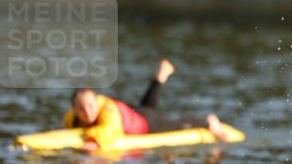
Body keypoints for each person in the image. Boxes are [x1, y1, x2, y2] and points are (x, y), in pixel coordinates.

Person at [65, 59, 231, 152]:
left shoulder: (107, 111)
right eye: (81, 108)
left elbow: (109, 130)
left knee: (177, 125)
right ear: (74, 109)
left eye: (90, 106)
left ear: (97, 101)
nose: (87, 111)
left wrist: (95, 142)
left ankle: (208, 122)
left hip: (145, 123)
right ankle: (159, 78)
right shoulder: (71, 117)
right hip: (133, 112)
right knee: (147, 107)